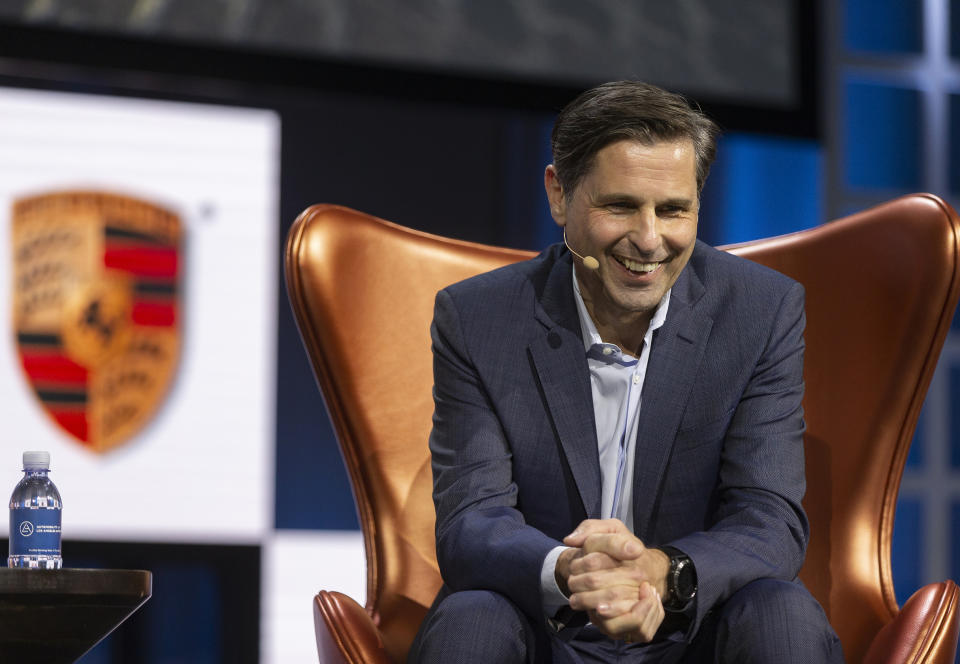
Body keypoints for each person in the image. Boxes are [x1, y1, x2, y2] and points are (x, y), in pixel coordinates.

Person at [408, 81, 844, 663]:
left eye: (673, 210)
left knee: (781, 612)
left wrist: (663, 572)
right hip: (545, 624)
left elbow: (768, 519)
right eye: (620, 206)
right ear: (559, 195)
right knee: (470, 617)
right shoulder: (478, 318)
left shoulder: (761, 311)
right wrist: (572, 571)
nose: (648, 239)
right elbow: (472, 522)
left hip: (696, 625)